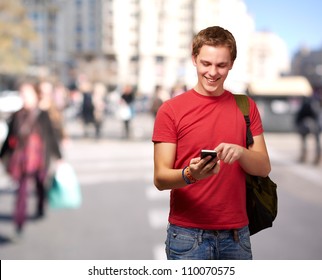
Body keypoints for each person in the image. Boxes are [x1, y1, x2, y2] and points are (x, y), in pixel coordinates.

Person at [152, 26, 271, 260]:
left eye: (221, 65)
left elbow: (264, 167)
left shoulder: (246, 107)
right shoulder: (170, 110)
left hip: (237, 236)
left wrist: (240, 152)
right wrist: (190, 174)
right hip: (187, 236)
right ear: (194, 59)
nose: (213, 72)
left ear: (232, 64)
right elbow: (160, 179)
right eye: (206, 63)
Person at [0, 81, 62, 234]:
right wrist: (2, 156)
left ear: (35, 95)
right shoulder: (17, 115)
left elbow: (51, 136)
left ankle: (41, 206)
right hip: (21, 159)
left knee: (40, 185)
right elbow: (10, 139)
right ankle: (19, 222)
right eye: (22, 94)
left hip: (39, 159)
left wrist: (58, 157)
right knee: (21, 191)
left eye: (28, 94)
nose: (25, 97)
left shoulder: (43, 114)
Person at [294, 96, 321, 165]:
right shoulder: (309, 104)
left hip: (312, 124)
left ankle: (314, 157)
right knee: (306, 140)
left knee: (307, 141)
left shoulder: (311, 104)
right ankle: (306, 156)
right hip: (308, 124)